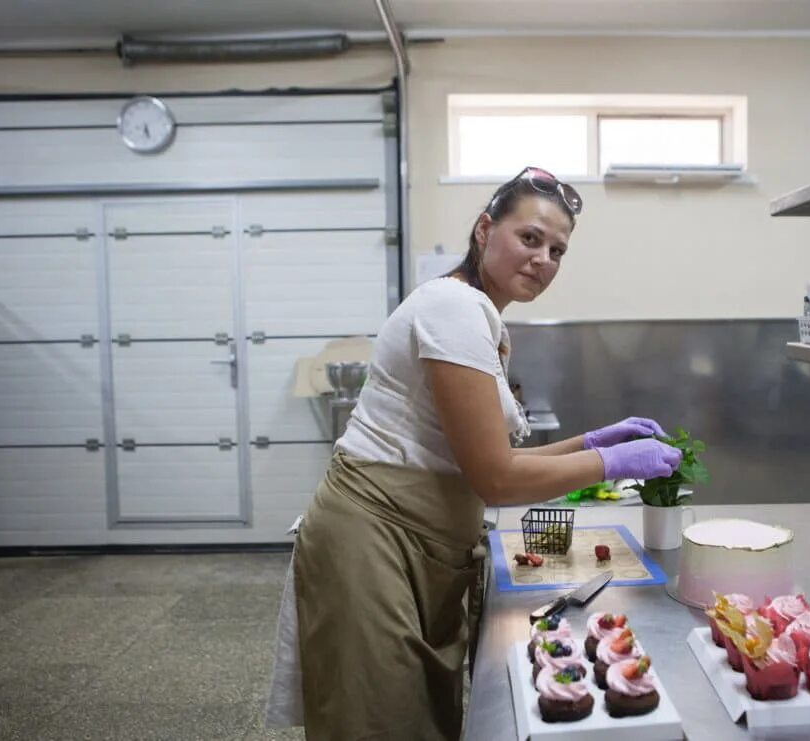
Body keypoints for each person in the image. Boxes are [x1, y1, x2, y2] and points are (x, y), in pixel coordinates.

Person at [265, 166, 683, 740]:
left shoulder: (476, 315)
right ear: (485, 229)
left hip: (421, 540)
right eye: (530, 238)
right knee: (380, 725)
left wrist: (589, 442)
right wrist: (613, 463)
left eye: (558, 250)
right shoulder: (453, 309)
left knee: (415, 718)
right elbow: (497, 479)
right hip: (374, 537)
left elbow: (479, 461)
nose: (544, 259)